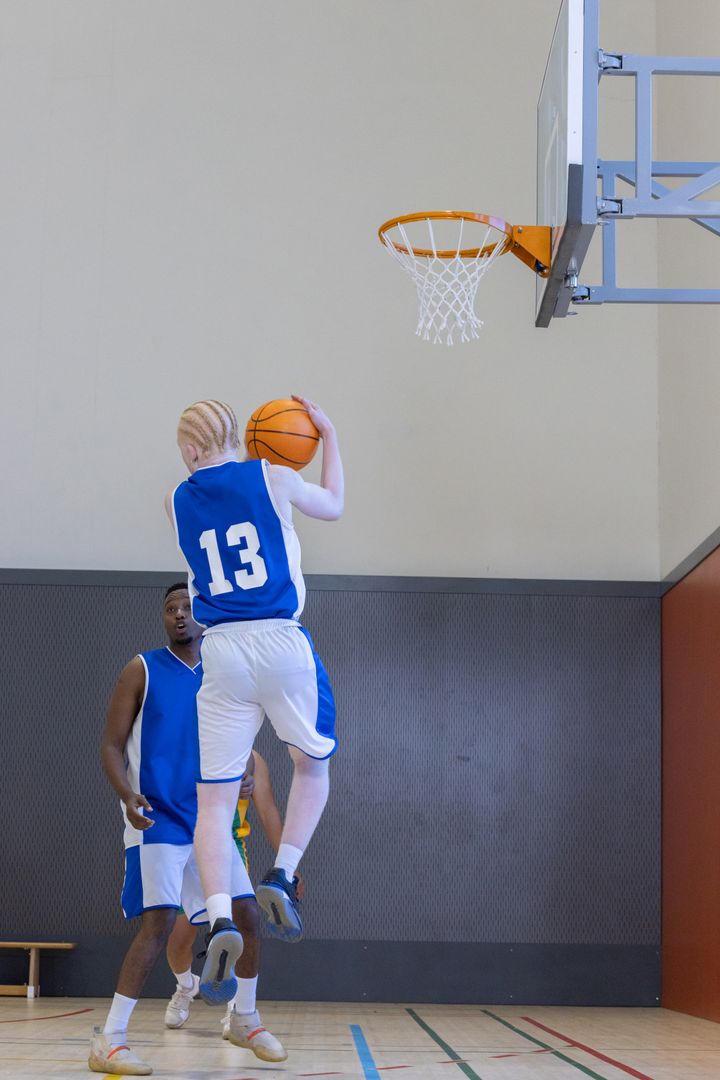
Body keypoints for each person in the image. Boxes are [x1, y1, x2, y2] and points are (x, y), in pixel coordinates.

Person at [166, 395, 343, 1003]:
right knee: (310, 766)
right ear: (240, 438)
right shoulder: (273, 474)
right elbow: (335, 506)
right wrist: (330, 437)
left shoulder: (177, 499)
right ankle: (284, 875)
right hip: (279, 640)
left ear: (189, 451)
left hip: (220, 652)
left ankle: (218, 918)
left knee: (213, 804)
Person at [89, 584, 285, 1076]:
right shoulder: (143, 668)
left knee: (248, 917)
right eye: (170, 608)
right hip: (157, 818)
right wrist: (125, 794)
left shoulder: (225, 673)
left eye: (187, 607)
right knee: (157, 925)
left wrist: (241, 771)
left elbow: (236, 739)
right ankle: (109, 1039)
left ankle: (244, 1017)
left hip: (209, 822)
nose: (179, 615)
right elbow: (111, 745)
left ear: (207, 615)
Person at [163, 747, 299, 1038]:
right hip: (186, 847)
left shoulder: (253, 758)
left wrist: (288, 864)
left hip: (229, 848)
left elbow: (268, 810)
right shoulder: (186, 744)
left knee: (241, 924)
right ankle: (187, 986)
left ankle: (239, 1008)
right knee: (178, 938)